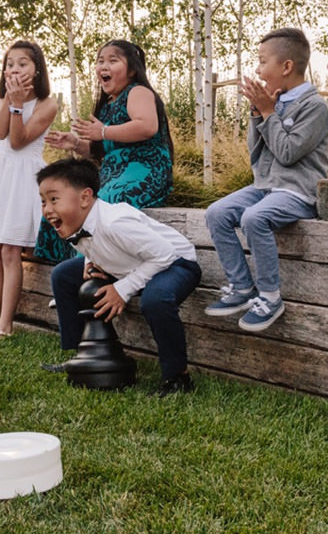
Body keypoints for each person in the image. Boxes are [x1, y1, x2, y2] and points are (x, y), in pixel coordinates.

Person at [38, 157, 201, 395]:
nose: (47, 209)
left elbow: (164, 255)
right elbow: (94, 240)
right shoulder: (75, 221)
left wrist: (122, 290)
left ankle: (178, 377)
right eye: (43, 201)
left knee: (155, 300)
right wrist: (91, 259)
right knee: (64, 275)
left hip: (175, 264)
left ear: (85, 197)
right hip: (131, 265)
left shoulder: (116, 223)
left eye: (54, 199)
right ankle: (83, 355)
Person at [204, 27, 328, 332]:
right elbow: (256, 155)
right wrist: (258, 115)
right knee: (216, 212)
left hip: (299, 191)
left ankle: (271, 297)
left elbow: (287, 153)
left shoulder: (316, 108)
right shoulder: (274, 101)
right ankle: (242, 287)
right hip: (266, 185)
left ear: (286, 67)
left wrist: (269, 111)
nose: (257, 70)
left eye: (262, 62)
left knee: (254, 217)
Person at [36, 39, 173, 264]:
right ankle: (64, 266)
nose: (103, 66)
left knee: (102, 204)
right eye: (100, 62)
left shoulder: (138, 92)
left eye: (113, 60)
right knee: (67, 201)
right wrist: (76, 144)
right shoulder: (108, 105)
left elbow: (147, 127)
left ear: (131, 69)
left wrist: (104, 131)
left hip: (145, 170)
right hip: (112, 174)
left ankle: (87, 266)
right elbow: (103, 150)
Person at [0, 40, 58, 339]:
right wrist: (9, 100)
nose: (15, 69)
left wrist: (19, 104)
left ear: (36, 70)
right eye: (10, 63)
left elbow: (20, 141)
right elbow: (0, 133)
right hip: (2, 171)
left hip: (25, 175)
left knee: (11, 250)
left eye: (22, 64)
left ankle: (6, 324)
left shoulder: (48, 103)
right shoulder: (5, 96)